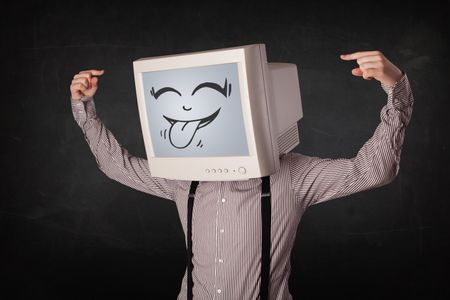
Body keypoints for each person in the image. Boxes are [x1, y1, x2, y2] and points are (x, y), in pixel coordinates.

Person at [70, 50, 414, 300]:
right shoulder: (182, 175)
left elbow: (373, 170)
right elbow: (118, 165)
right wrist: (85, 107)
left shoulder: (293, 175)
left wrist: (395, 88)